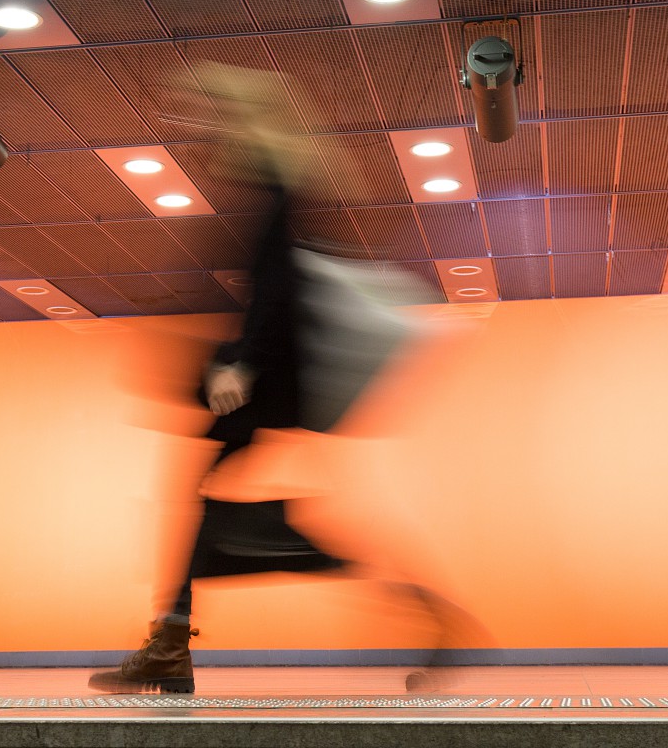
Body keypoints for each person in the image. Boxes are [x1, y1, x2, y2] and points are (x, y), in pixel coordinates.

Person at [87, 67, 477, 696]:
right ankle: (175, 634)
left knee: (206, 506)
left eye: (212, 114)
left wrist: (238, 362)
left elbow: (276, 286)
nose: (204, 128)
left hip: (267, 377)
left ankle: (172, 638)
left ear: (246, 119)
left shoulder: (276, 189)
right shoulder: (275, 186)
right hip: (273, 375)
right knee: (207, 507)